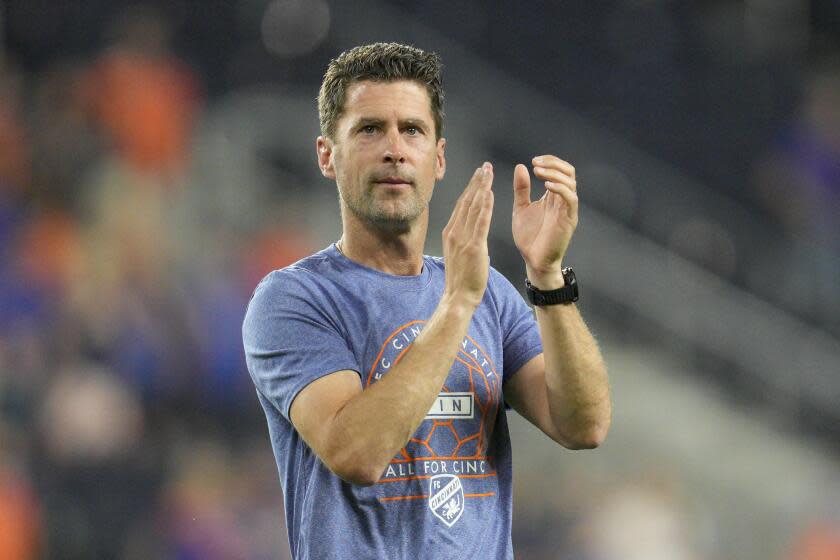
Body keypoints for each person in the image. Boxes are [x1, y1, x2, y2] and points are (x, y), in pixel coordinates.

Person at [242, 42, 611, 559]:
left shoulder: (492, 296)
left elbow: (583, 426)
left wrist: (547, 277)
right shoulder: (295, 300)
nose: (394, 149)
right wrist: (457, 304)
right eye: (369, 129)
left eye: (412, 130)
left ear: (438, 159)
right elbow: (358, 453)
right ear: (327, 155)